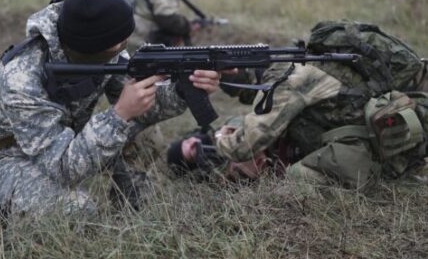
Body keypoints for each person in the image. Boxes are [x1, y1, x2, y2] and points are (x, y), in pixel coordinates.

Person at [0, 0, 222, 217]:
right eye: (118, 44)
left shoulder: (102, 49)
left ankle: (133, 209)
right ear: (89, 46)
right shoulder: (22, 78)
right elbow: (62, 166)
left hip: (60, 144)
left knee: (145, 135)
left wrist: (182, 89)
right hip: (7, 158)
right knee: (76, 210)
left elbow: (145, 105)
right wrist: (119, 115)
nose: (123, 47)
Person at [167, 22, 428, 188]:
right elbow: (258, 97)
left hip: (394, 135)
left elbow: (249, 141)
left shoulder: (292, 79)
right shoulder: (298, 66)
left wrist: (221, 144)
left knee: (297, 181)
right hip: (389, 127)